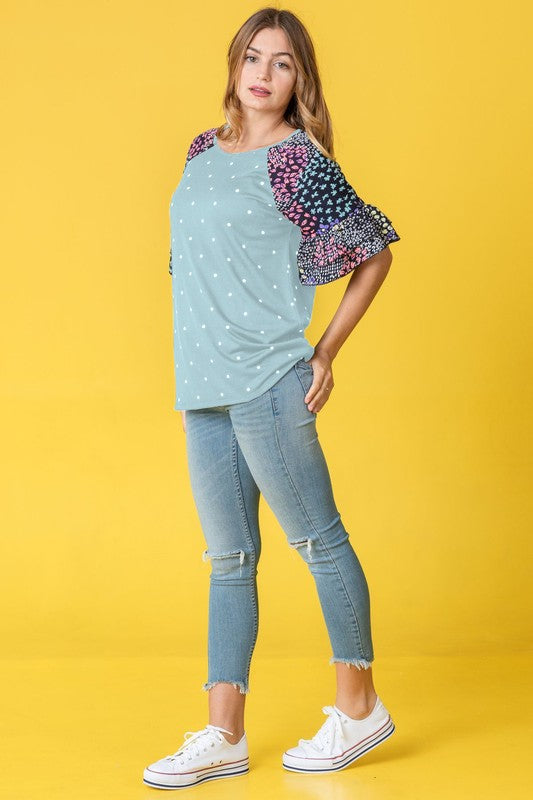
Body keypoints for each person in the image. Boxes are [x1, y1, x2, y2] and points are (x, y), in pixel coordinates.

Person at [143, 6, 401, 790]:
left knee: (317, 542)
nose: (262, 72)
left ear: (299, 78)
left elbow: (372, 250)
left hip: (266, 379)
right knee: (228, 560)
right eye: (252, 57)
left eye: (281, 63)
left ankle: (358, 708)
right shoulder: (201, 150)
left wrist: (323, 351)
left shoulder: (297, 161)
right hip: (204, 389)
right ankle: (223, 733)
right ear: (233, 65)